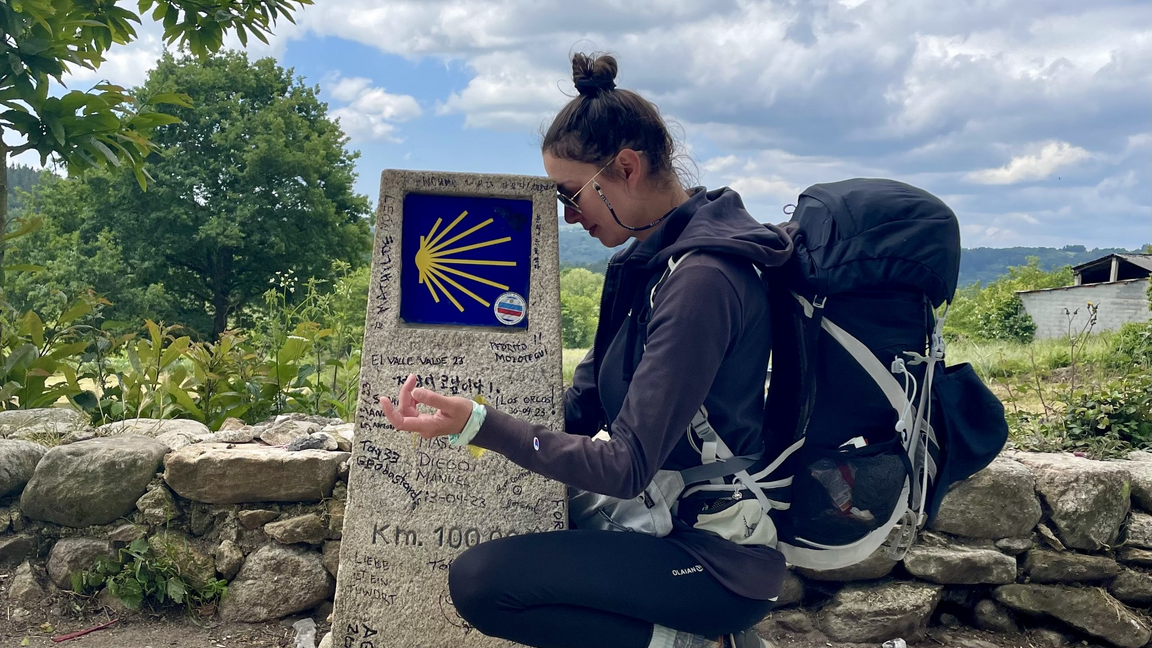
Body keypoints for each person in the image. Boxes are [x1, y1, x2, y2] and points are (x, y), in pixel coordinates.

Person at [380, 52, 794, 648]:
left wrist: (481, 425)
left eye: (571, 195)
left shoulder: (704, 281)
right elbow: (582, 407)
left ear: (625, 167)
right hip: (658, 526)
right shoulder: (641, 268)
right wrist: (460, 411)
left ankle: (694, 643)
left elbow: (625, 466)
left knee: (483, 582)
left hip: (718, 559)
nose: (568, 218)